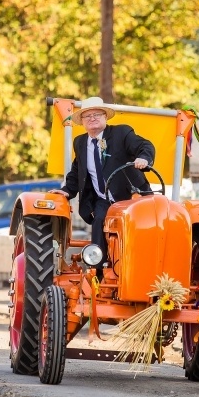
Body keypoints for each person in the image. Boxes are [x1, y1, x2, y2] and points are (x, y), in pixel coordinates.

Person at [49, 96, 155, 275]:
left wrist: (143, 158)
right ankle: (97, 274)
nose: (92, 118)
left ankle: (146, 269)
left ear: (105, 117)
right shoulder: (80, 143)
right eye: (87, 116)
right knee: (99, 220)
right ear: (82, 122)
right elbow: (77, 171)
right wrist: (67, 190)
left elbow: (144, 145)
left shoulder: (122, 133)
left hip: (132, 198)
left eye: (97, 114)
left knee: (143, 229)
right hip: (104, 199)